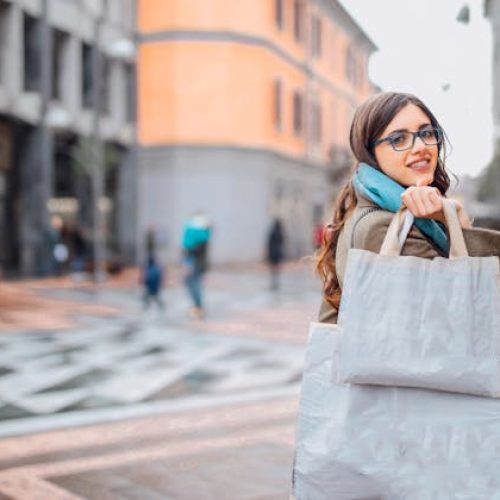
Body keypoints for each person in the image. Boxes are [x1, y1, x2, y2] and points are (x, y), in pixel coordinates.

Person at [317, 92, 500, 324]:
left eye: (426, 133)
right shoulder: (384, 226)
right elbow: (471, 310)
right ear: (370, 151)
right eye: (398, 139)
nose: (421, 146)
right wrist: (458, 221)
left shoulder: (370, 210)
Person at [181, 211, 212, 319]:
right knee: (192, 284)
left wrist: (187, 252)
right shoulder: (204, 234)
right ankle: (197, 306)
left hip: (195, 264)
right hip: (196, 264)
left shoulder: (201, 236)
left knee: (194, 285)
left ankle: (198, 307)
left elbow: (192, 251)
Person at [266, 218, 285, 290]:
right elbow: (283, 242)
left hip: (273, 251)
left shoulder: (272, 232)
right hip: (278, 251)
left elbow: (269, 243)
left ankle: (274, 277)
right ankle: (276, 277)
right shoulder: (280, 232)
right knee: (276, 265)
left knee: (273, 266)